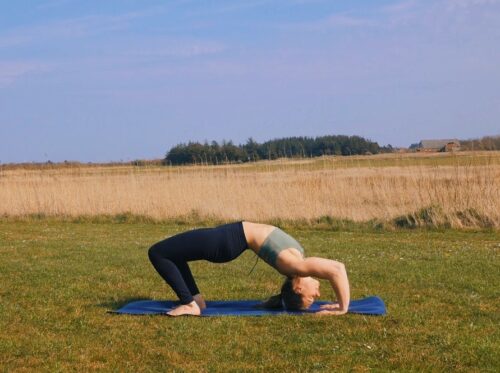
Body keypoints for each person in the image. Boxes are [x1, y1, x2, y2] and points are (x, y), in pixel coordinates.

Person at [148, 221, 350, 316]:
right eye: (314, 297)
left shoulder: (294, 265)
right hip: (230, 237)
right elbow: (335, 271)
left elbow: (337, 269)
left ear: (298, 289)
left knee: (158, 252)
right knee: (173, 254)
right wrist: (340, 304)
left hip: (227, 240)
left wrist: (342, 308)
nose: (318, 293)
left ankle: (190, 304)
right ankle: (196, 300)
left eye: (312, 298)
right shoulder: (298, 260)